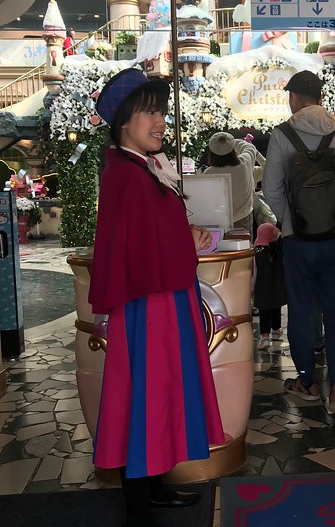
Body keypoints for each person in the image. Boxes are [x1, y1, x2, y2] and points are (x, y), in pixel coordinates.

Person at [90, 68, 224, 527]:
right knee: (144, 395)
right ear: (125, 119)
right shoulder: (127, 175)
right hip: (148, 302)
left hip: (160, 296)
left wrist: (186, 233)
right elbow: (136, 245)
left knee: (158, 392)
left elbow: (153, 234)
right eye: (150, 112)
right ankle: (138, 506)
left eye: (161, 112)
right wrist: (186, 238)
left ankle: (154, 490)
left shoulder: (142, 168)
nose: (160, 121)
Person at [262, 70, 335, 416]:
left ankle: (307, 383)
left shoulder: (283, 134)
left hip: (296, 242)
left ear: (294, 98)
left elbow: (270, 189)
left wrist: (291, 220)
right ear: (321, 96)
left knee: (300, 312)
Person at [203, 131, 265, 236]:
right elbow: (250, 148)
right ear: (232, 149)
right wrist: (231, 142)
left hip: (218, 221)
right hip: (243, 219)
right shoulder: (244, 163)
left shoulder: (209, 172)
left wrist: (221, 145)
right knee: (243, 250)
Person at [253, 223, 287, 350]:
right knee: (275, 308)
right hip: (277, 287)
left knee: (264, 312)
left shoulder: (257, 254)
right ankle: (276, 330)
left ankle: (265, 337)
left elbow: (254, 273)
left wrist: (251, 288)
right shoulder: (279, 252)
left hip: (262, 288)